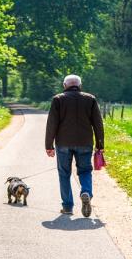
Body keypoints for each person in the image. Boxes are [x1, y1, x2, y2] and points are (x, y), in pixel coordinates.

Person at [45, 74, 104, 217]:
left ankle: (67, 207)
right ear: (80, 85)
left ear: (64, 86)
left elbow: (52, 123)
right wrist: (100, 144)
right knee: (84, 171)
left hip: (63, 143)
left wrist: (49, 145)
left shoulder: (58, 99)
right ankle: (86, 192)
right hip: (85, 143)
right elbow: (98, 123)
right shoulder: (90, 99)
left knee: (64, 174)